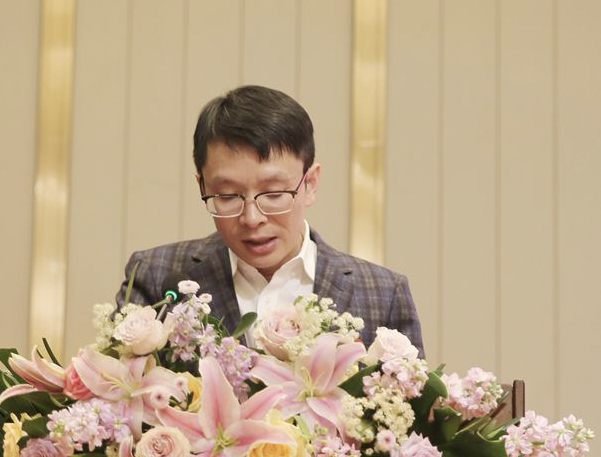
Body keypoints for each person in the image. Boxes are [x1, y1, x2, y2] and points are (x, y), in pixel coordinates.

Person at [115, 85, 423, 356]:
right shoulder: (157, 277)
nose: (252, 218)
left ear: (310, 183)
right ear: (202, 187)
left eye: (274, 193)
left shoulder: (384, 294)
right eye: (228, 195)